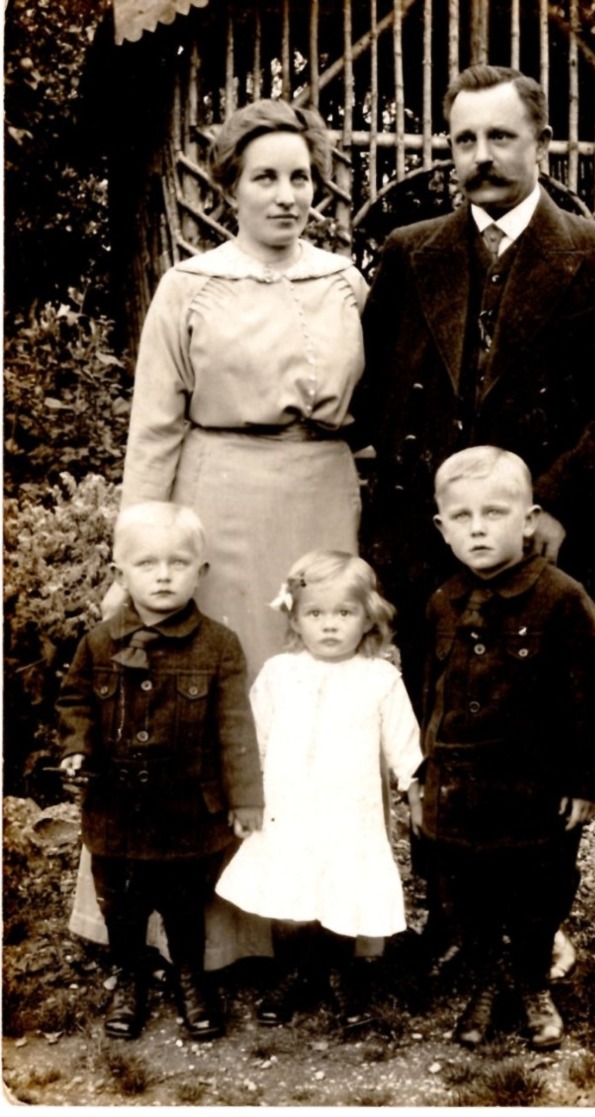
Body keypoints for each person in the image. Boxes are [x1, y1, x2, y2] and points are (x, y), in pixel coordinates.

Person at [71, 98, 369, 967]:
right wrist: (137, 549)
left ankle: (312, 924)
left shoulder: (346, 282)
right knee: (214, 703)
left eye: (301, 178)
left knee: (316, 695)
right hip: (220, 497)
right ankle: (192, 927)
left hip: (323, 497)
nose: (286, 196)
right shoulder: (190, 286)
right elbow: (154, 428)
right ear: (230, 187)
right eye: (265, 178)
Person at [357, 63, 595, 698]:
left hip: (553, 540)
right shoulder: (408, 254)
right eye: (465, 140)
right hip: (430, 545)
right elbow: (376, 393)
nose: (481, 156)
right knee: (432, 726)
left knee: (547, 731)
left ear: (541, 144)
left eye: (501, 137)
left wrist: (549, 506)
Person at [417, 447, 595, 1049]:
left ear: (528, 520)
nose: (478, 528)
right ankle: (485, 982)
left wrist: (583, 782)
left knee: (538, 891)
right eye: (463, 516)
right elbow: (432, 696)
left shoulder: (563, 600)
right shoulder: (441, 601)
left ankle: (530, 985)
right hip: (461, 786)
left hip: (535, 789)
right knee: (463, 892)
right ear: (442, 529)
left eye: (495, 513)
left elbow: (587, 700)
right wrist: (427, 774)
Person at [56, 503, 263, 1041]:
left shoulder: (219, 645)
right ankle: (129, 976)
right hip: (116, 809)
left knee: (185, 902)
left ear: (202, 573)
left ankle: (190, 975)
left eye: (179, 563)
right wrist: (76, 749)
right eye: (148, 564)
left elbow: (235, 727)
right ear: (121, 575)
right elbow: (75, 701)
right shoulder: (99, 642)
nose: (165, 575)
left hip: (187, 810)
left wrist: (245, 800)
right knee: (121, 903)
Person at [215, 550, 424, 1024]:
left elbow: (404, 744)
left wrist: (415, 789)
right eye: (315, 614)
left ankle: (340, 975)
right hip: (288, 808)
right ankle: (293, 975)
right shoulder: (279, 674)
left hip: (349, 813)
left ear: (367, 619)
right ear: (296, 618)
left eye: (344, 614)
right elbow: (255, 739)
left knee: (342, 890)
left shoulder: (380, 679)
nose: (329, 626)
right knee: (289, 893)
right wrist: (246, 797)